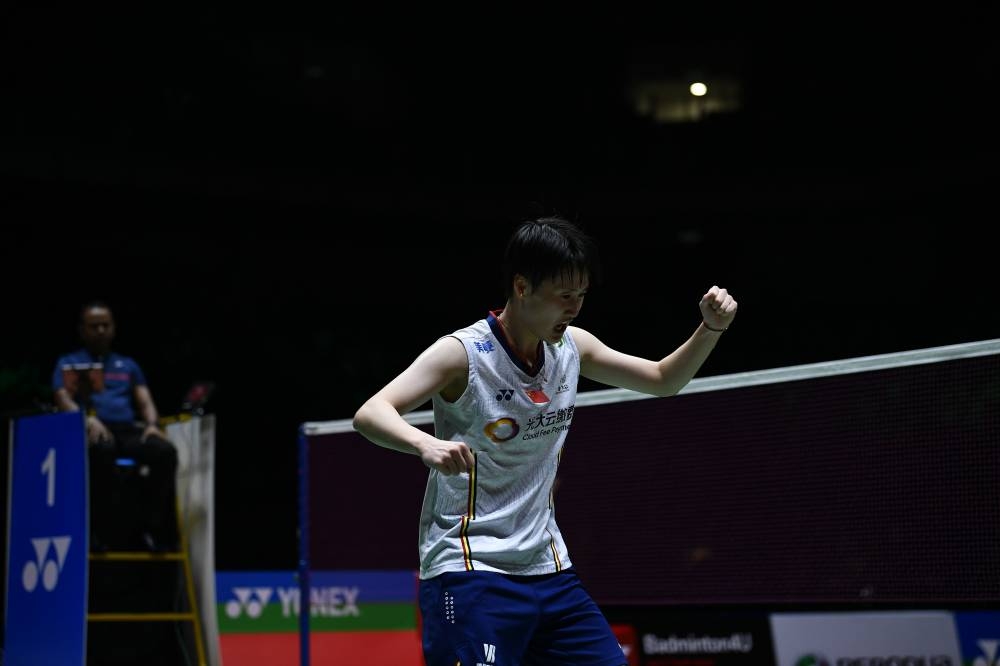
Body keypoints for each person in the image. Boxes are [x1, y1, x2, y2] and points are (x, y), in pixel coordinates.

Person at [352, 216, 738, 666]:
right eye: (563, 296)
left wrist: (710, 329)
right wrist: (425, 444)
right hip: (471, 568)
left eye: (581, 296)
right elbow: (371, 413)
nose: (574, 308)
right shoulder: (463, 353)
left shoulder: (574, 347)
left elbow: (662, 379)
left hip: (549, 568)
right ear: (522, 287)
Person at [52, 300, 179, 552]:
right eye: (94, 326)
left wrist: (152, 424)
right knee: (101, 451)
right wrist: (85, 418)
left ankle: (152, 529)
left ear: (113, 328)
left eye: (105, 325)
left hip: (127, 430)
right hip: (94, 429)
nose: (100, 331)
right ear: (82, 330)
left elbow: (144, 400)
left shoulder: (128, 364)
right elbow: (62, 397)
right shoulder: (69, 362)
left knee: (165, 452)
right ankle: (99, 531)